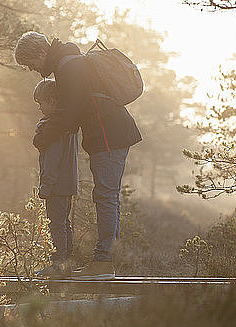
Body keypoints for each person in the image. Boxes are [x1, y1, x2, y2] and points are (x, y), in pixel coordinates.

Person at [14, 31, 142, 279]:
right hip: (108, 134)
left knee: (105, 197)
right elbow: (73, 110)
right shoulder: (69, 63)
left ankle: (104, 262)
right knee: (108, 197)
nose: (32, 69)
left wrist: (42, 136)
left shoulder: (69, 67)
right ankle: (105, 260)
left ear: (41, 53)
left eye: (31, 64)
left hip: (109, 135)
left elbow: (68, 113)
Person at [33, 79, 78, 278]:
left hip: (56, 186)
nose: (40, 108)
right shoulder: (69, 126)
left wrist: (45, 185)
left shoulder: (53, 129)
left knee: (56, 223)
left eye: (41, 103)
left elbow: (52, 159)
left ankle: (58, 263)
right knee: (64, 222)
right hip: (68, 184)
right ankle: (66, 262)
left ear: (52, 101)